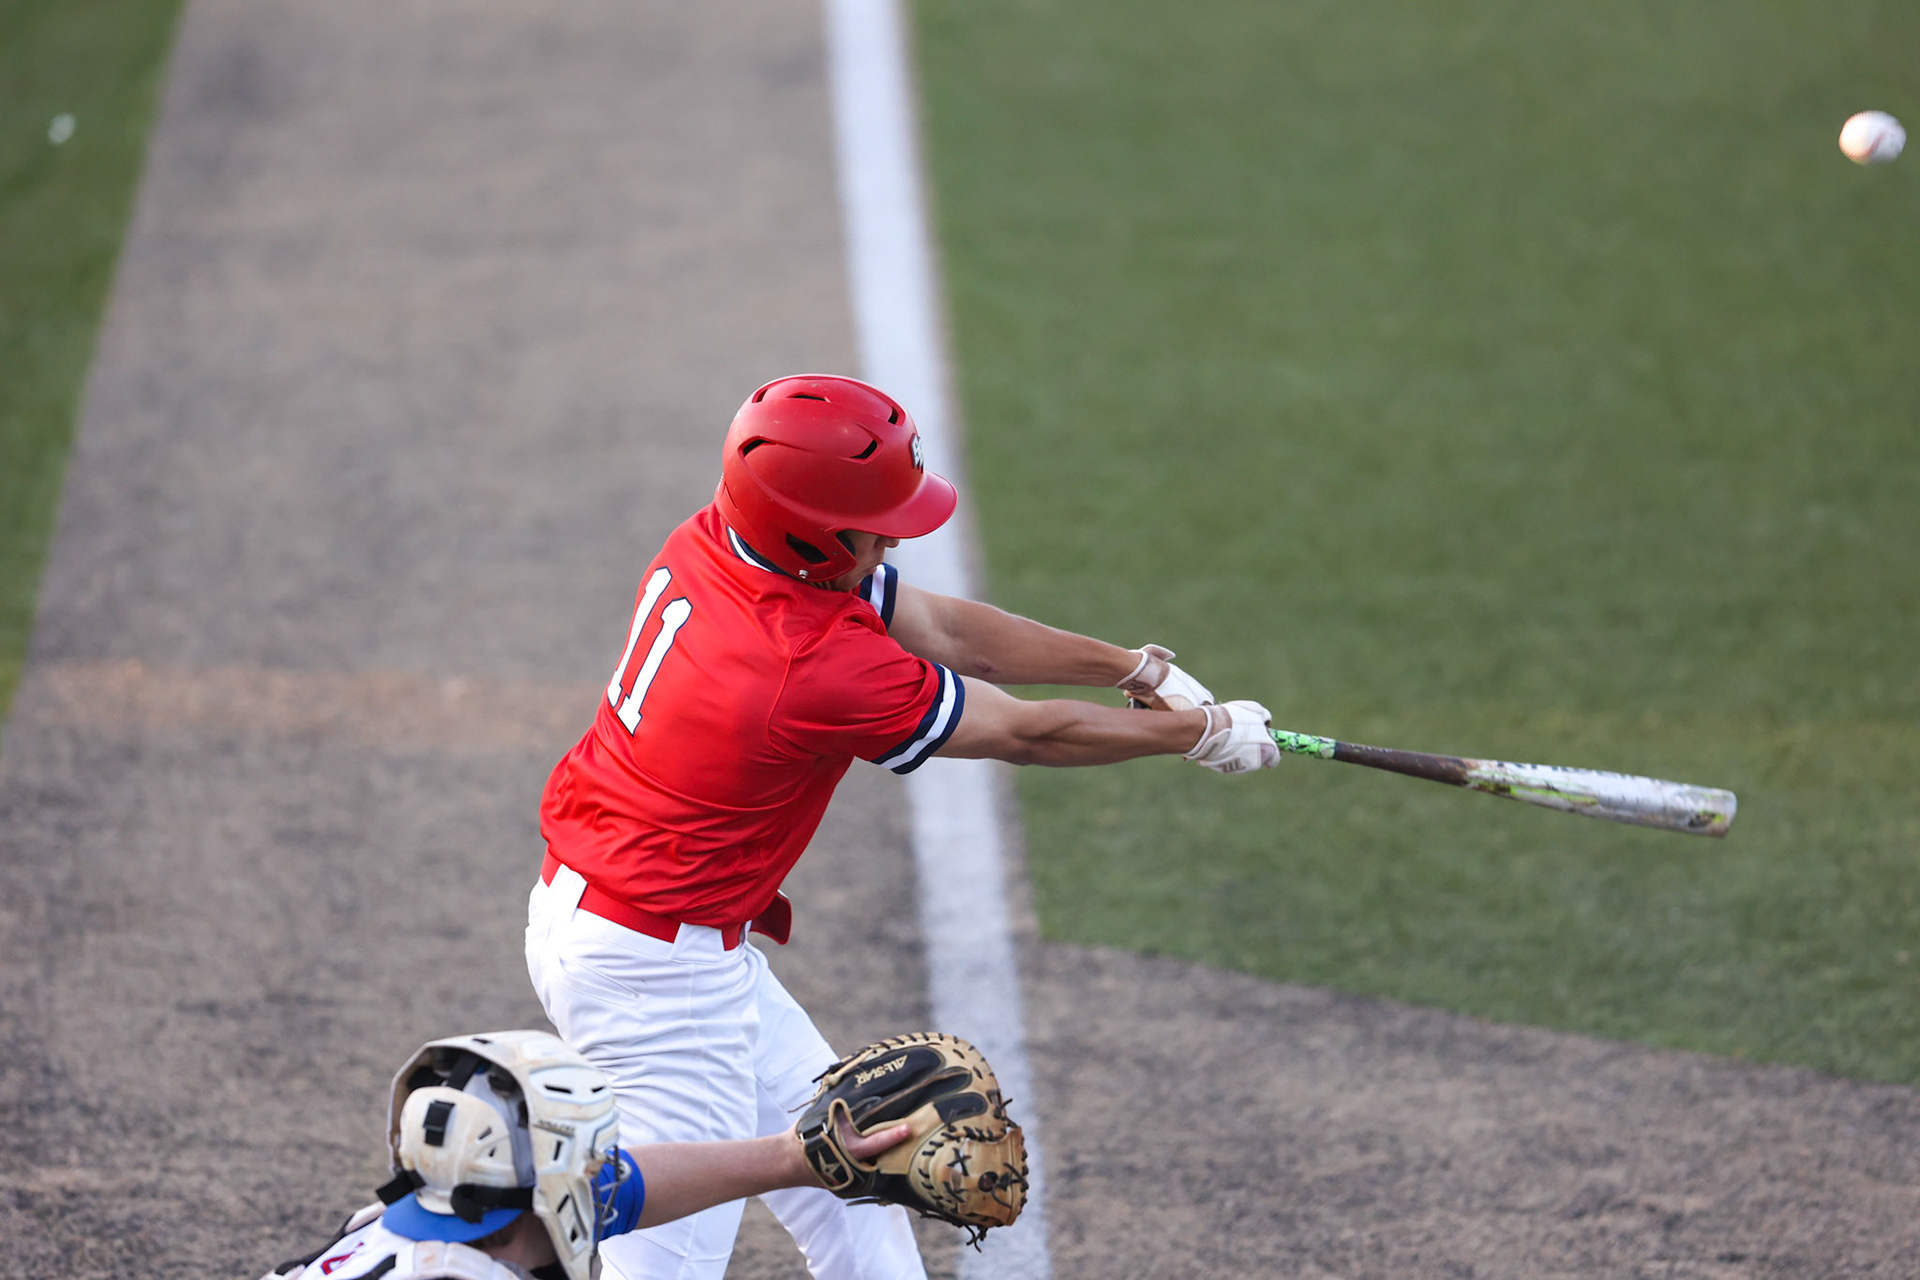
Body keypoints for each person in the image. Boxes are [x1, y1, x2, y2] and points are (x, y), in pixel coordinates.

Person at [525, 374, 1281, 1280]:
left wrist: (1134, 666)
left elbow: (951, 630)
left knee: (854, 1179)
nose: (892, 537)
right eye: (875, 523)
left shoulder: (726, 538)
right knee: (673, 1261)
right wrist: (1199, 735)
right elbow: (1027, 733)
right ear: (810, 528)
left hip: (653, 935)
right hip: (654, 978)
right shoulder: (805, 664)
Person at [262, 1029, 912, 1280]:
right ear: (540, 1197)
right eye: (591, 1162)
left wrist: (796, 1160)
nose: (608, 1176)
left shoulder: (382, 1225)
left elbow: (628, 1189)